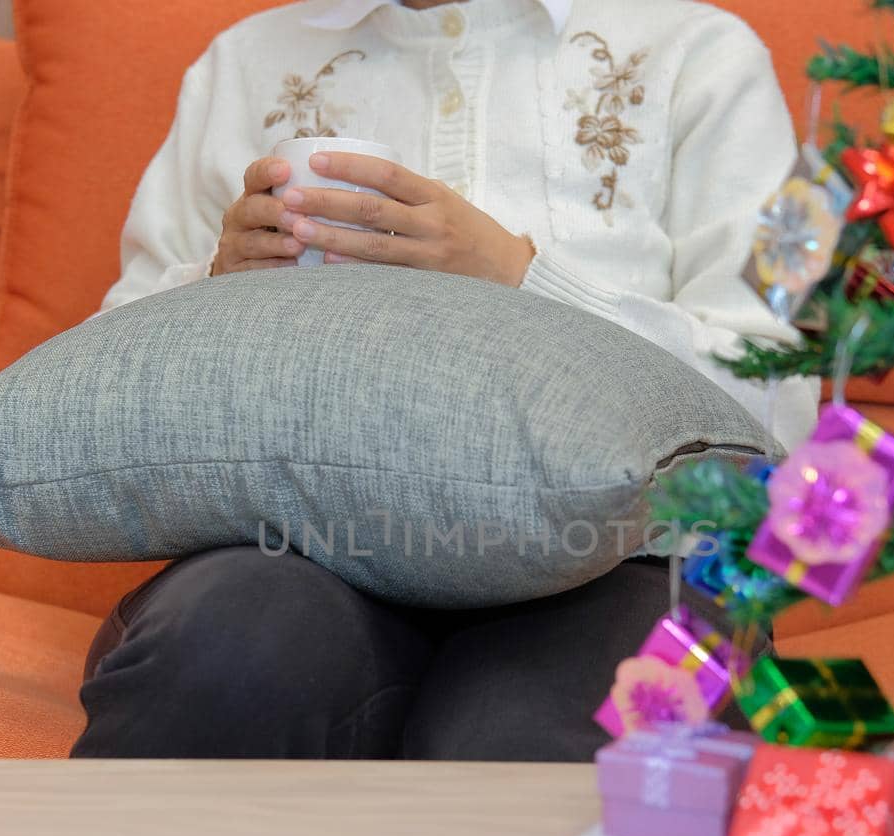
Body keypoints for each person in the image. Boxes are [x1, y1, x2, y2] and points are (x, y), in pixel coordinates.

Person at [72, 0, 814, 761]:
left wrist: (520, 278)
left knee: (522, 743)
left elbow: (782, 403)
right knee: (226, 665)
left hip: (635, 560)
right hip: (296, 551)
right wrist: (216, 279)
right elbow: (92, 391)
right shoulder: (242, 64)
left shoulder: (706, 56)